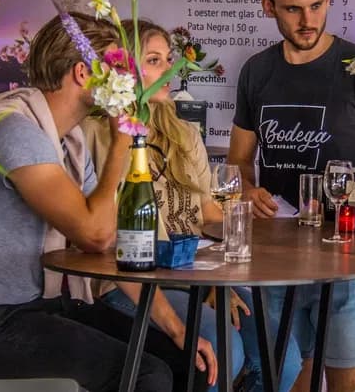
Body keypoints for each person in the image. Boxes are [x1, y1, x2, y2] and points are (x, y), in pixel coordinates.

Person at [0, 12, 192, 392]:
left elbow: (107, 244)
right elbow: (94, 235)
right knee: (147, 375)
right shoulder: (14, 129)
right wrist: (122, 143)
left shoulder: (68, 141)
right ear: (83, 73)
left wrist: (175, 327)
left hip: (32, 308)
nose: (126, 80)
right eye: (115, 67)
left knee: (181, 360)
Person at [84, 19, 302, 392]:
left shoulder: (183, 132)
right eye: (154, 60)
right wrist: (205, 286)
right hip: (131, 283)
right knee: (223, 347)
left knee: (283, 354)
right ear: (122, 69)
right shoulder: (96, 133)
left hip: (193, 275)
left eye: (169, 59)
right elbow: (107, 235)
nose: (169, 69)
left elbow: (207, 213)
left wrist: (243, 243)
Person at [228, 0, 355, 392]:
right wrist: (247, 191)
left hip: (345, 254)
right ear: (268, 6)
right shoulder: (256, 71)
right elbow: (239, 160)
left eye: (317, 5)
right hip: (274, 259)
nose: (308, 19)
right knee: (285, 374)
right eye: (293, 9)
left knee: (348, 377)